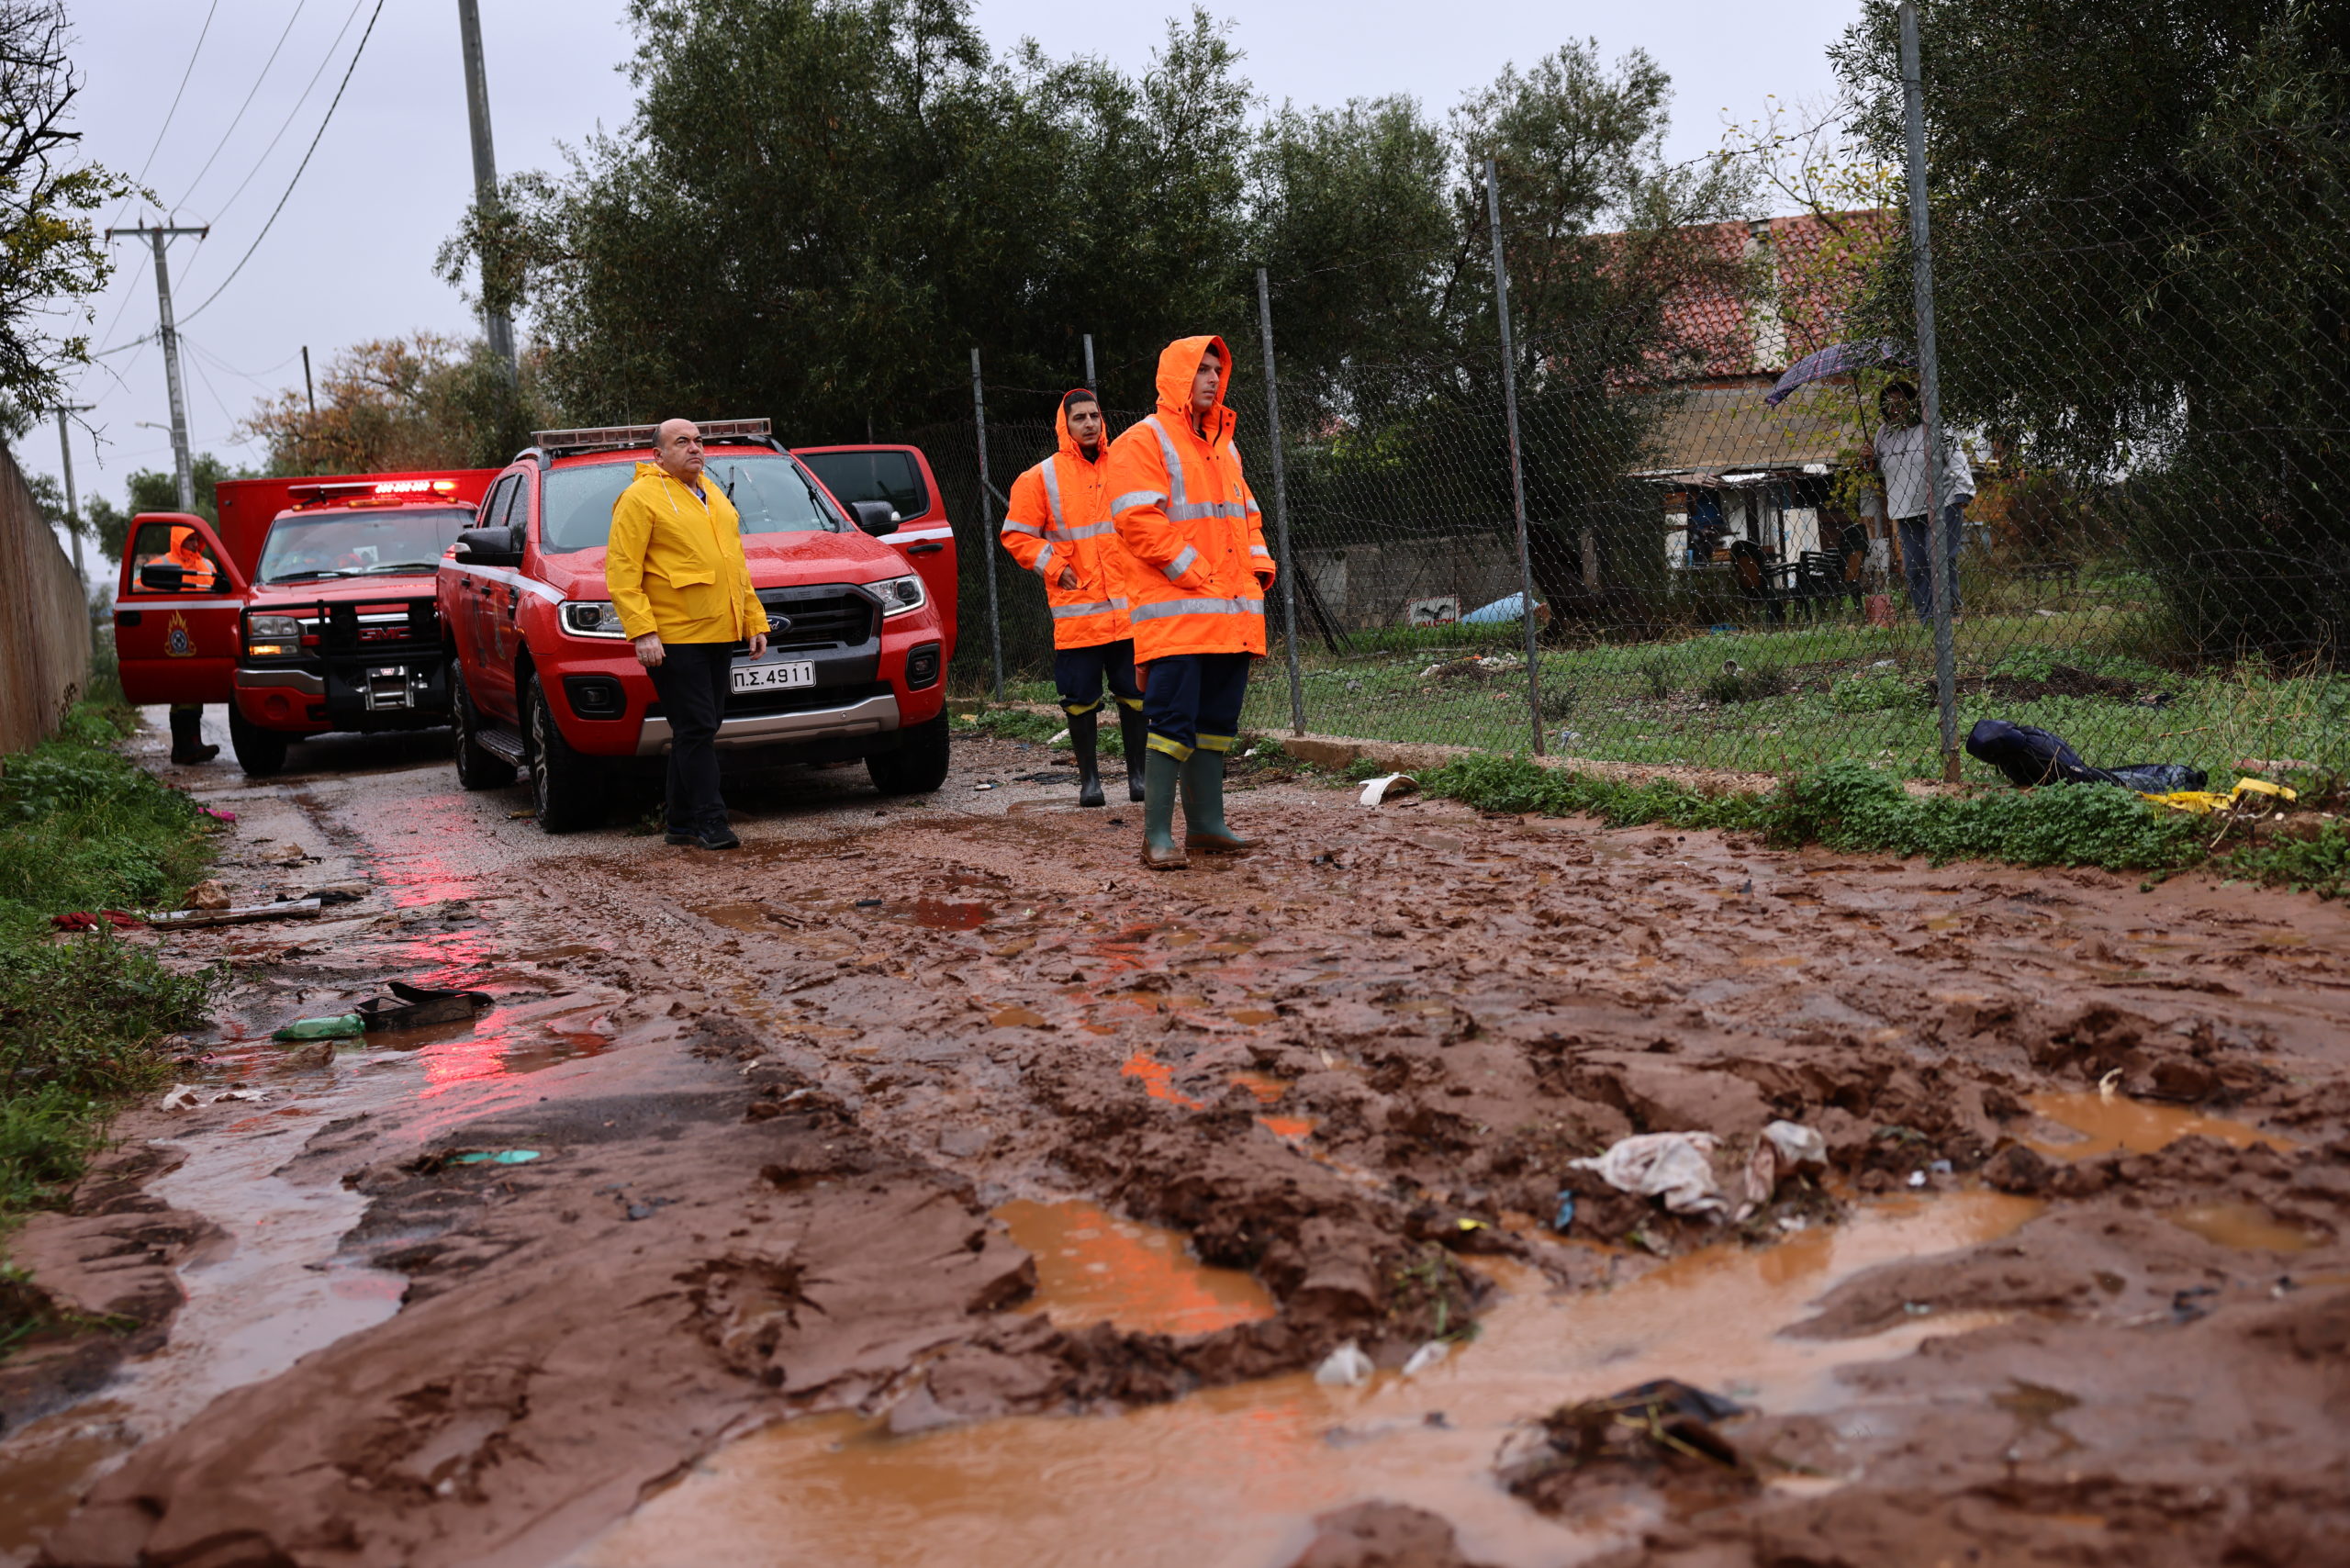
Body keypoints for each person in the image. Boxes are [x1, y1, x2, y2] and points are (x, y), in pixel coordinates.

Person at [1105, 337, 1275, 869]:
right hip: (1178, 614)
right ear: (1177, 375)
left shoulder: (1225, 444)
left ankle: (1205, 826)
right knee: (1171, 721)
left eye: (1216, 370)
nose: (1210, 379)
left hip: (1230, 611)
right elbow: (1137, 519)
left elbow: (1246, 512)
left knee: (1216, 724)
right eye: (1200, 370)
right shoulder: (1144, 440)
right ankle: (1157, 836)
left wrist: (1258, 567)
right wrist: (1192, 571)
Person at [607, 419, 770, 850]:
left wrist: (753, 621)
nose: (695, 448)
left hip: (718, 630)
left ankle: (680, 821)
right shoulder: (640, 498)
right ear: (658, 454)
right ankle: (710, 820)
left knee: (700, 726)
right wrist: (642, 631)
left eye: (699, 441)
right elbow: (622, 573)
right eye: (683, 442)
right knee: (697, 726)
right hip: (675, 636)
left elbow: (735, 566)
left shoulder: (711, 494)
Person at [1001, 388, 1145, 807]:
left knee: (1136, 693)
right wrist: (1054, 565)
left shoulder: (1125, 467)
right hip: (1079, 613)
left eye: (1095, 415)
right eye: (1080, 417)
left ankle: (1138, 778)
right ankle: (1090, 782)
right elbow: (1016, 534)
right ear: (1065, 425)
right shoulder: (1040, 478)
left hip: (1129, 609)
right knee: (1080, 699)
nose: (1089, 423)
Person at [1870, 380, 1973, 625]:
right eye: (1889, 405)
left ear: (1912, 402)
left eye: (1900, 403)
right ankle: (1928, 620)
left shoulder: (1933, 426)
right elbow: (1881, 472)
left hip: (1942, 502)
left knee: (1939, 558)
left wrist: (1964, 491)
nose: (1895, 409)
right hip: (1905, 509)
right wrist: (1870, 463)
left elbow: (1956, 457)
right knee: (1915, 566)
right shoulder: (1884, 433)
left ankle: (1951, 615)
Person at [164, 525, 219, 765]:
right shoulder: (164, 563)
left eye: (197, 540)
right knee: (181, 691)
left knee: (191, 689)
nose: (195, 545)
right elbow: (141, 587)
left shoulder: (207, 565)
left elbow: (220, 590)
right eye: (190, 540)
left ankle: (184, 748)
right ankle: (187, 747)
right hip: (175, 631)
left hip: (202, 630)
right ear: (178, 540)